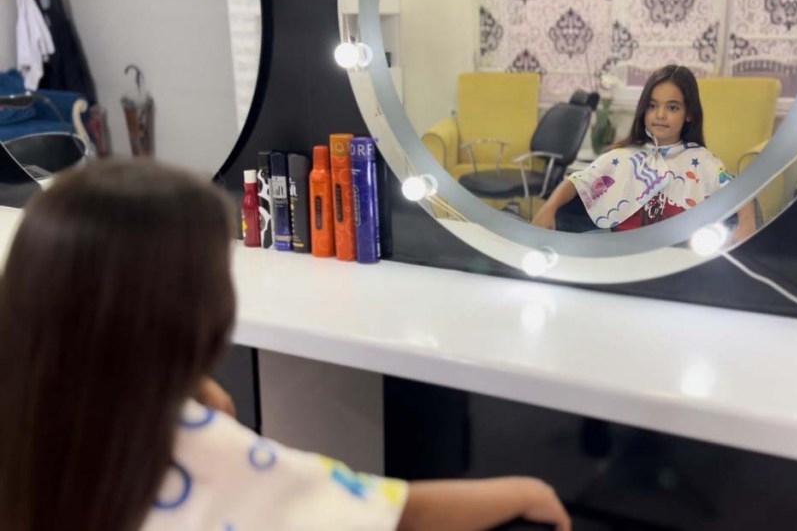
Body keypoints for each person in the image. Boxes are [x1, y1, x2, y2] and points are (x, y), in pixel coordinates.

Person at [0, 160, 571, 531]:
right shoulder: (197, 450)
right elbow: (392, 514)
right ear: (186, 314)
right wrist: (525, 492)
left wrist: (184, 389)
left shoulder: (35, 417)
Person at [532, 64, 755, 238]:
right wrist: (548, 209)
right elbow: (577, 181)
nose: (660, 115)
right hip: (622, 257)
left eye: (672, 107)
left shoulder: (702, 160)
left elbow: (740, 189)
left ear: (689, 114)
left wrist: (746, 225)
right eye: (652, 105)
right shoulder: (624, 156)